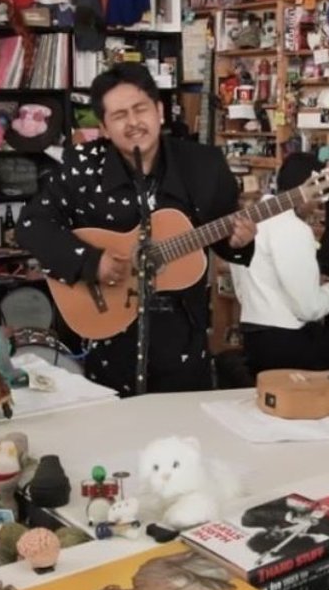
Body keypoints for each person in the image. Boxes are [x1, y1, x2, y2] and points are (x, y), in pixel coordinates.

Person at [17, 63, 257, 395]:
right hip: (109, 334)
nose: (132, 123)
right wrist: (90, 261)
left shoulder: (204, 164)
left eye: (140, 109)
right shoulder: (83, 166)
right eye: (119, 116)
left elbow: (225, 237)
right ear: (104, 127)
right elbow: (32, 225)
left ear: (159, 111)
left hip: (183, 339)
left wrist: (240, 241)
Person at [230, 152, 329, 376]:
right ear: (309, 187)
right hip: (287, 344)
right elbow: (309, 309)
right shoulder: (293, 228)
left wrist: (314, 282)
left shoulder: (250, 217)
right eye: (319, 194)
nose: (319, 202)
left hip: (255, 341)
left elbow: (250, 287)